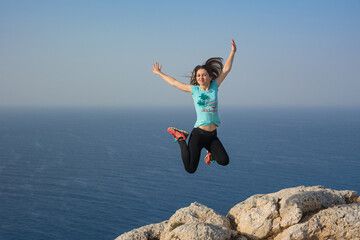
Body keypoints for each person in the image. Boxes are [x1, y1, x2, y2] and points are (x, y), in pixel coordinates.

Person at [152, 39, 237, 174]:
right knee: (190, 169)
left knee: (224, 161)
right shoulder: (194, 90)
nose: (201, 77)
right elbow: (174, 82)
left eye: (204, 75)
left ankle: (211, 154)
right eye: (198, 75)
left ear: (210, 77)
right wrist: (160, 73)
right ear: (196, 78)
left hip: (212, 135)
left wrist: (232, 52)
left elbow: (226, 69)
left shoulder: (215, 86)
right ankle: (180, 137)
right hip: (198, 134)